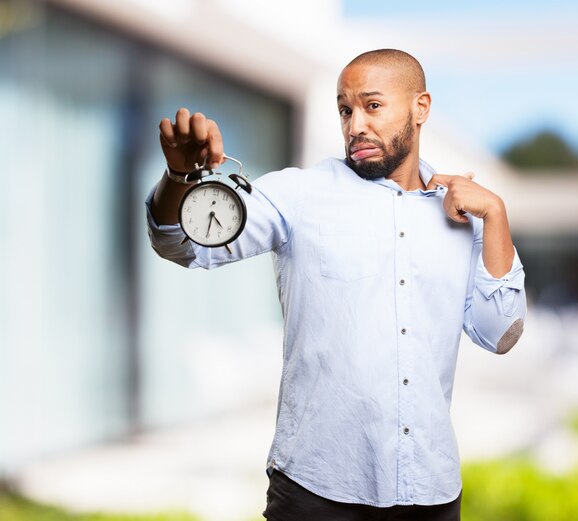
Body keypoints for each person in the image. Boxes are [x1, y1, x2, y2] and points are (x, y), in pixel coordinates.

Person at [146, 49, 526, 521]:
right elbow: (184, 245)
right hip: (317, 489)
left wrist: (496, 215)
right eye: (345, 110)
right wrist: (180, 177)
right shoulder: (299, 194)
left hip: (430, 490)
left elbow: (500, 333)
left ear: (420, 108)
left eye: (372, 106)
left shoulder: (463, 213)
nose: (355, 125)